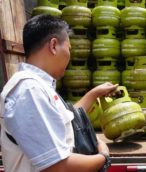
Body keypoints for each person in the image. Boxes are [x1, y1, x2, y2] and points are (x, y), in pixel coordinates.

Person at [0, 14, 118, 172]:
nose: (69, 55)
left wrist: (95, 93)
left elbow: (65, 119)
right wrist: (103, 156)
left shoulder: (36, 87)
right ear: (53, 46)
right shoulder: (29, 92)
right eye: (68, 48)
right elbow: (57, 166)